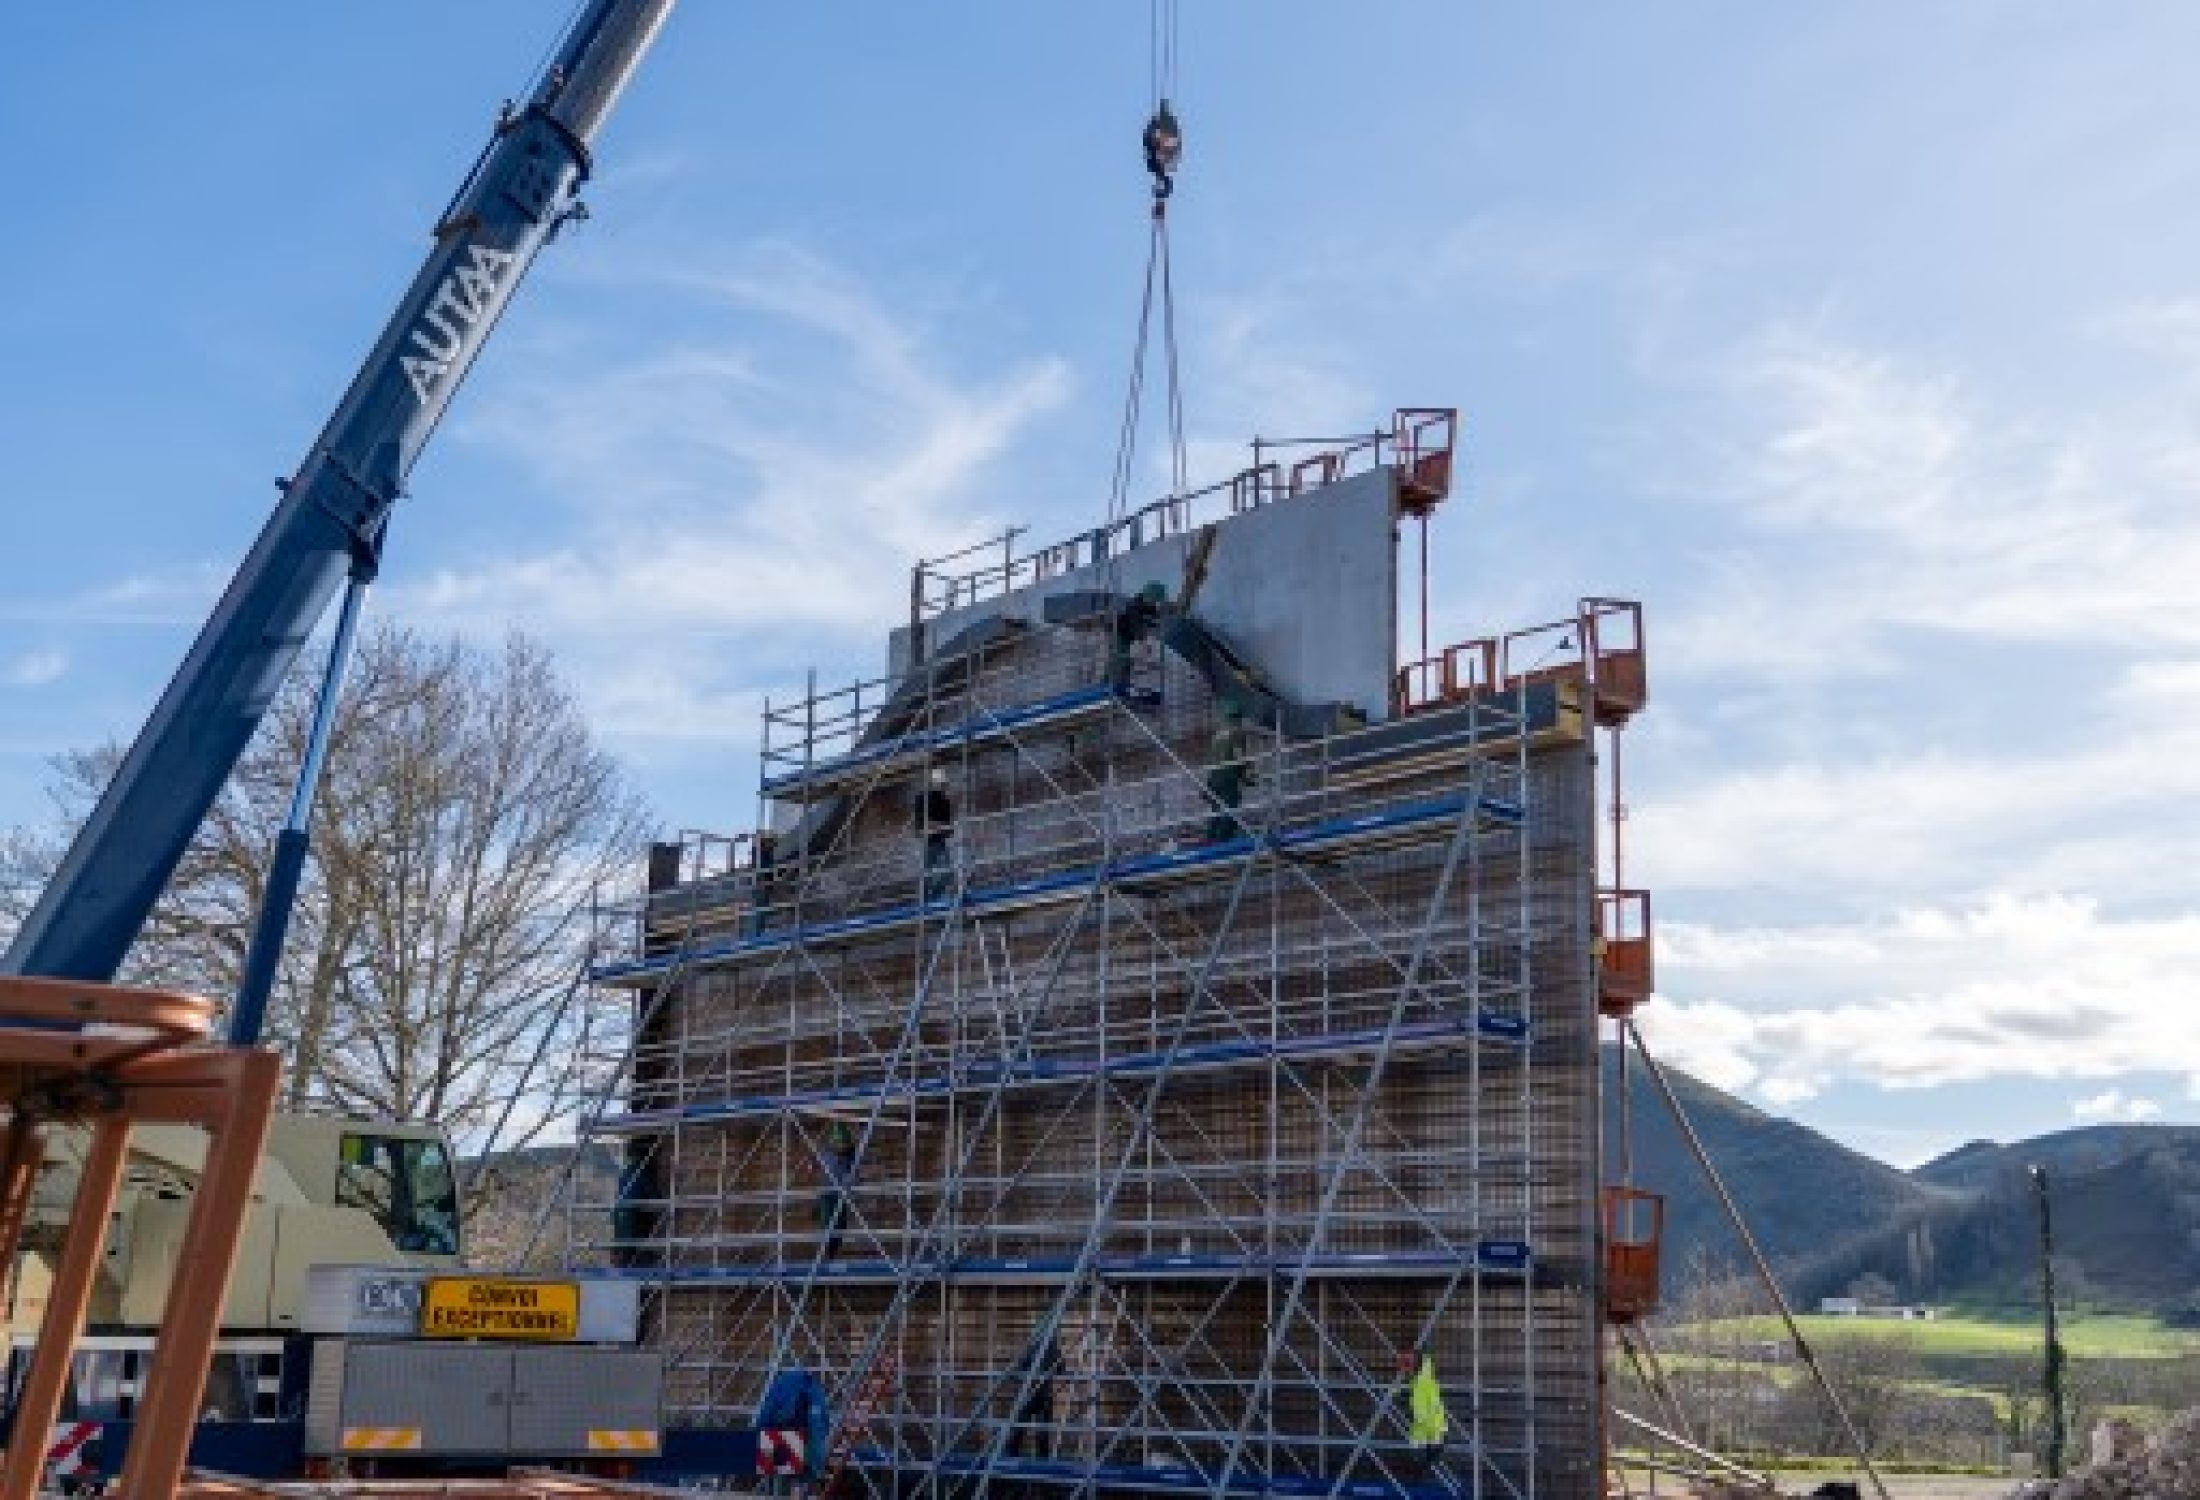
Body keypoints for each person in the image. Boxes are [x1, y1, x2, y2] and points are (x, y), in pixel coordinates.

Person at [1203, 699, 1253, 844]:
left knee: (1216, 811)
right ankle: (1224, 842)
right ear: (1239, 717)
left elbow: (1213, 758)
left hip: (1214, 778)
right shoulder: (1237, 732)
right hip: (1228, 778)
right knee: (1231, 811)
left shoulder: (1218, 734)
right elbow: (1240, 757)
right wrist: (1248, 776)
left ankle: (1210, 841)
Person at [1109, 581, 1169, 702]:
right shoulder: (1134, 606)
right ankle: (1109, 688)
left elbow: (1154, 614)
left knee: (1126, 663)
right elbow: (1136, 625)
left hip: (1128, 636)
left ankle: (1122, 687)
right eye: (1155, 600)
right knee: (1119, 660)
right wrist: (1144, 643)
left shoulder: (1148, 604)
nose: (1155, 603)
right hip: (1120, 635)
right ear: (1149, 596)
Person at [912, 767, 957, 900]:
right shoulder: (922, 798)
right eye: (940, 783)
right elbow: (922, 824)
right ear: (933, 783)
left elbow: (949, 829)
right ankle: (925, 902)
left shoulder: (945, 802)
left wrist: (940, 827)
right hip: (927, 842)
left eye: (943, 784)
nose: (942, 786)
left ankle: (933, 898)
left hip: (940, 842)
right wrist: (940, 826)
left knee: (947, 873)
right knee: (927, 874)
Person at [816, 1122, 858, 1260]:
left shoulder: (849, 1156)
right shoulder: (828, 1155)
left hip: (839, 1196)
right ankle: (828, 1254)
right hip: (828, 1195)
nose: (841, 1149)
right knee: (829, 1226)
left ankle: (831, 1254)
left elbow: (854, 1151)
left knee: (839, 1226)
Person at [1405, 1350, 1449, 1476]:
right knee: (1424, 1462)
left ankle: (1421, 1472)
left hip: (1428, 1431)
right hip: (1433, 1430)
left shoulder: (1420, 1383)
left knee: (1421, 1463)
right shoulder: (1427, 1380)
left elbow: (1421, 1409)